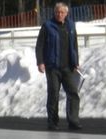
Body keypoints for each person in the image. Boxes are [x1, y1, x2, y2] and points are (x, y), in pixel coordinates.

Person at [35, 2, 82, 131]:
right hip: (52, 67)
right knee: (53, 94)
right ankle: (52, 122)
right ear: (54, 13)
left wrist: (76, 61)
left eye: (62, 12)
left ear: (66, 13)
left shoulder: (71, 25)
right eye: (57, 12)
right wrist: (40, 62)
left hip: (68, 67)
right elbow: (40, 45)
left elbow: (74, 45)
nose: (59, 14)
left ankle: (73, 120)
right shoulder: (47, 26)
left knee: (73, 93)